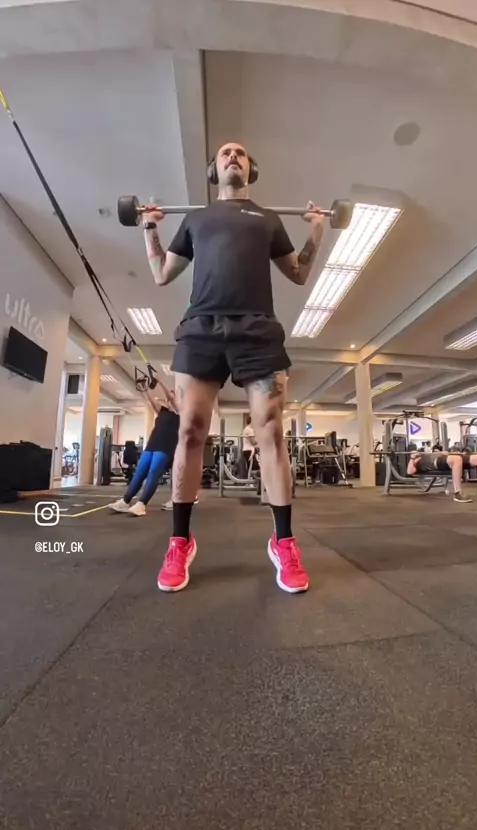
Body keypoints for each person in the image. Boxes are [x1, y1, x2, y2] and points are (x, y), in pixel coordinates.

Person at [143, 141, 326, 593]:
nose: (232, 156)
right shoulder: (196, 219)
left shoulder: (268, 219)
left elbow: (298, 273)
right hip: (201, 329)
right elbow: (161, 274)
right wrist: (149, 228)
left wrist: (317, 231)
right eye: (225, 152)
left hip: (257, 330)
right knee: (190, 430)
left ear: (250, 168)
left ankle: (284, 542)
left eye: (240, 153)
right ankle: (180, 541)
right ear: (214, 169)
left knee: (271, 431)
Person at [108, 381, 181, 516]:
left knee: (153, 474)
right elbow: (150, 401)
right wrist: (144, 389)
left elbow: (171, 398)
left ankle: (142, 504)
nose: (168, 399)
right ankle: (125, 501)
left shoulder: (181, 412)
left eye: (172, 396)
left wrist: (160, 381)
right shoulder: (162, 411)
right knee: (139, 473)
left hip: (165, 448)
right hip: (152, 445)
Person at [407, 450, 477, 503]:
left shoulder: (424, 454)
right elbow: (410, 471)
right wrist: (412, 458)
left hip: (445, 457)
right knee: (457, 459)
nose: (416, 452)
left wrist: (443, 452)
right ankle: (458, 493)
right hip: (436, 461)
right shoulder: (415, 461)